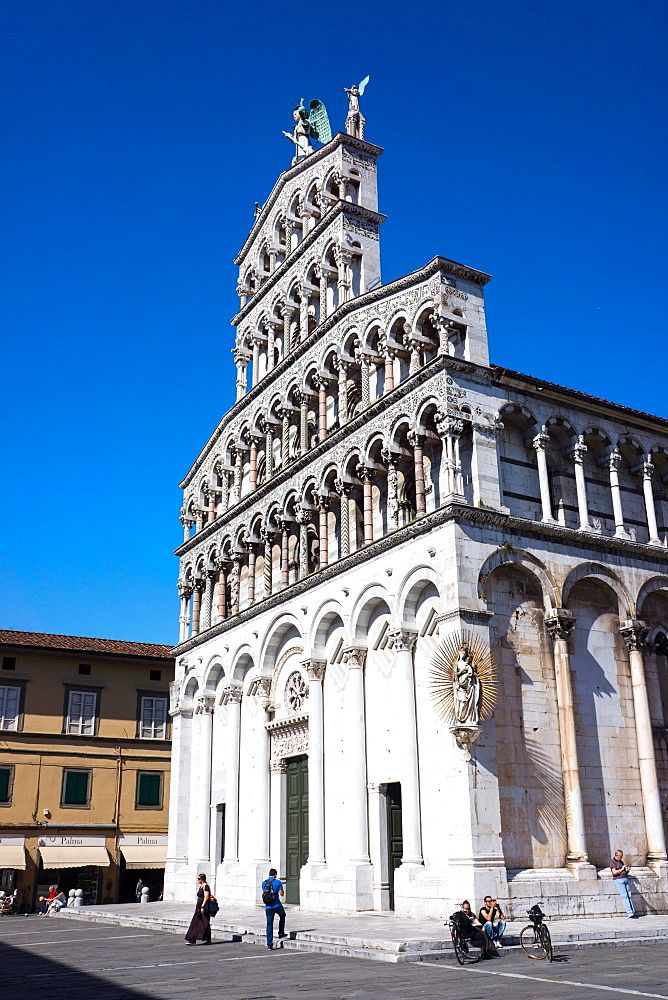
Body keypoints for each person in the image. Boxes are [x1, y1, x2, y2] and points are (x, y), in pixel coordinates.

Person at [262, 868, 287, 951]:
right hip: (277, 905)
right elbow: (282, 894)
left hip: (268, 906)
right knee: (282, 915)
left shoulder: (264, 883)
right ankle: (281, 932)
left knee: (269, 925)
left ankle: (269, 944)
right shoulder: (278, 882)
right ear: (275, 875)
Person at [185, 874, 212, 944]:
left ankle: (207, 939)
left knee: (205, 922)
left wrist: (202, 906)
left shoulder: (206, 886)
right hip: (198, 906)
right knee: (196, 922)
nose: (198, 880)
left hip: (203, 907)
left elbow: (206, 897)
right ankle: (192, 939)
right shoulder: (201, 886)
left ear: (202, 879)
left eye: (199, 879)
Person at [610, 850, 637, 917]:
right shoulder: (612, 862)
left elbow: (623, 871)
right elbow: (614, 872)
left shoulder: (621, 862)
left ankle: (633, 912)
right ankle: (630, 913)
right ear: (616, 855)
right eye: (620, 856)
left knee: (629, 896)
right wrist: (622, 869)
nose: (621, 858)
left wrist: (627, 870)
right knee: (625, 896)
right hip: (619, 880)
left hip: (625, 878)